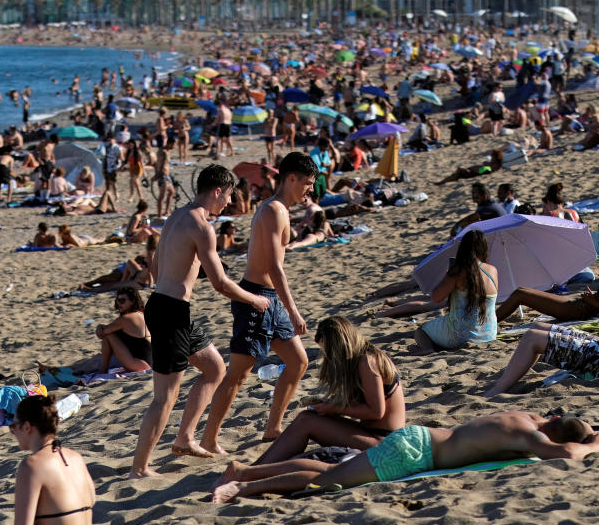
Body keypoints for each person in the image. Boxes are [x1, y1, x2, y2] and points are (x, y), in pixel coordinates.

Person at [130, 165, 269, 478]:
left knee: (215, 367)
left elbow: (153, 265)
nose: (228, 204)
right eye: (229, 197)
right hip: (170, 312)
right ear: (217, 191)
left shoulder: (176, 216)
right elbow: (220, 282)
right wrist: (254, 299)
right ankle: (139, 469)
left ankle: (185, 438)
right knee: (164, 397)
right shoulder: (202, 227)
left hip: (168, 307)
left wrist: (173, 278)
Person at [211, 411, 599, 503]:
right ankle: (242, 487)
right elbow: (566, 454)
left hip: (418, 438)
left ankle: (246, 469)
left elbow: (562, 438)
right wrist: (596, 444)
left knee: (333, 470)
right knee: (328, 481)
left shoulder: (524, 416)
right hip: (416, 454)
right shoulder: (529, 434)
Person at [201, 153, 316, 455]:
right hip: (256, 298)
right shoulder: (274, 210)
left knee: (299, 361)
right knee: (239, 373)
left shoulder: (281, 209)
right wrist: (294, 310)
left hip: (271, 298)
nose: (310, 190)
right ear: (291, 178)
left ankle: (273, 427)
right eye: (307, 183)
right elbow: (275, 267)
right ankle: (209, 439)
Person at [253, 316, 405, 466]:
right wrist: (330, 407)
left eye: (328, 351)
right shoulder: (363, 358)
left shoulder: (368, 361)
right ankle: (256, 468)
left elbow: (376, 411)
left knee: (306, 422)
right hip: (372, 434)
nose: (329, 357)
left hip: (386, 443)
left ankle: (255, 470)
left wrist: (334, 408)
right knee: (306, 418)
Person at [11, 395, 95, 525]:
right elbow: (92, 501)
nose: (13, 431)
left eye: (13, 426)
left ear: (27, 426)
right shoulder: (76, 458)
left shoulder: (32, 466)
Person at [495, 250, 599, 323]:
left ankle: (490, 325)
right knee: (522, 291)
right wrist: (595, 297)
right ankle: (491, 323)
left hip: (575, 310)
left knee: (521, 294)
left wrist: (594, 302)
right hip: (577, 305)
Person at [412, 230, 499, 352]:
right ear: (484, 248)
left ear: (462, 249)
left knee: (421, 331)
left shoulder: (457, 272)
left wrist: (448, 275)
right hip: (489, 334)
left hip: (459, 336)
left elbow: (436, 298)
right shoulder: (492, 270)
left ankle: (427, 350)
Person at [95, 288, 152, 373]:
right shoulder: (141, 314)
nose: (119, 304)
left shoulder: (126, 318)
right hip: (149, 363)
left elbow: (102, 333)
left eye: (122, 301)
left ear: (132, 301)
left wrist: (99, 326)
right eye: (117, 300)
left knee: (108, 335)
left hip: (138, 365)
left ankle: (103, 370)